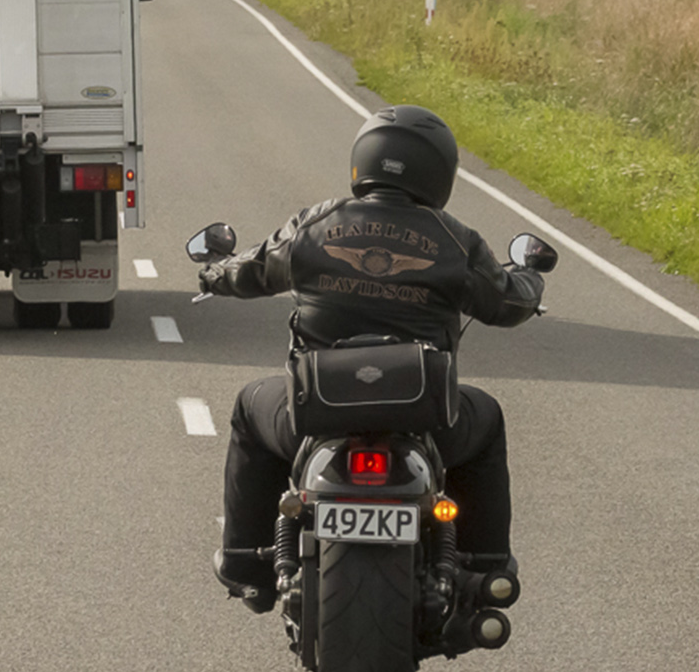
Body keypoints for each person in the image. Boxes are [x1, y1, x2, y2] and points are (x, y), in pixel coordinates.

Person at [198, 104, 546, 613]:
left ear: (364, 160)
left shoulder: (317, 223)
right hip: (426, 418)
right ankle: (483, 566)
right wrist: (532, 277)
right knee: (487, 417)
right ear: (439, 171)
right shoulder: (454, 239)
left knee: (250, 408)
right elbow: (508, 304)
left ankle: (246, 564)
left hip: (314, 416)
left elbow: (252, 269)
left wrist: (212, 272)